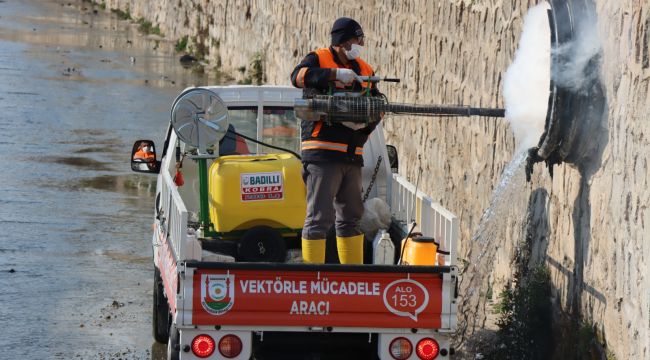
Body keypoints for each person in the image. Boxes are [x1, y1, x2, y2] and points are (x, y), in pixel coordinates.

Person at [290, 17, 381, 265]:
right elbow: (297, 77)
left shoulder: (365, 69)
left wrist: (363, 128)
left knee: (351, 217)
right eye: (355, 39)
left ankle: (351, 277)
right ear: (341, 41)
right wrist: (333, 75)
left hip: (352, 154)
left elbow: (378, 105)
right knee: (319, 218)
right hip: (322, 153)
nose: (360, 44)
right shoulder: (318, 58)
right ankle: (313, 280)